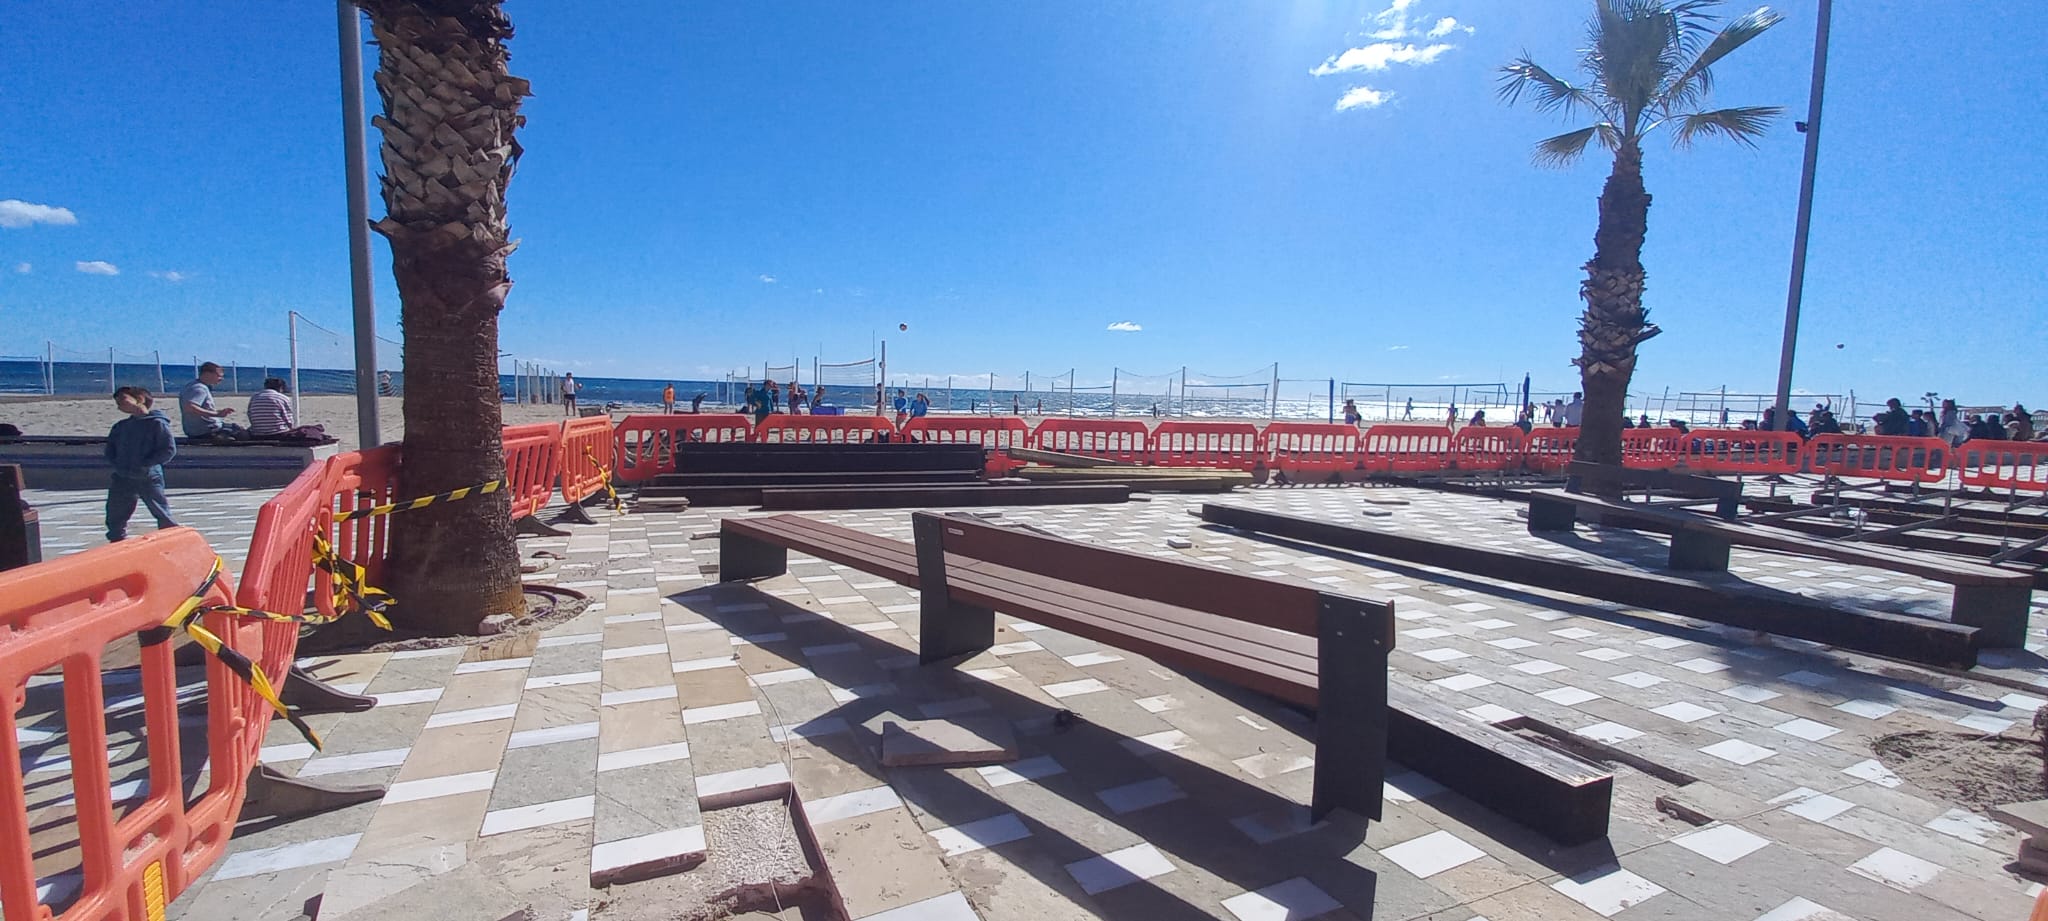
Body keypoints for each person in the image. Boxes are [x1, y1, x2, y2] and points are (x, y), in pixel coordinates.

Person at [104, 387, 177, 542]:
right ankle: (116, 539)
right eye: (117, 403)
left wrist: (146, 464)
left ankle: (171, 538)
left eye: (123, 400)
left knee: (160, 509)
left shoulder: (157, 423)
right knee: (116, 510)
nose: (120, 405)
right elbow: (110, 449)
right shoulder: (121, 426)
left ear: (140, 399)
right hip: (123, 475)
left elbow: (168, 449)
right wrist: (118, 464)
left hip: (148, 475)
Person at [180, 362, 244, 439]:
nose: (221, 379)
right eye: (219, 376)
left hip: (194, 429)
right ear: (208, 374)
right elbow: (190, 407)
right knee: (242, 433)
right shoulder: (199, 388)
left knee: (236, 428)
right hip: (205, 429)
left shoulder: (191, 385)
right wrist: (216, 414)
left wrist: (217, 412)